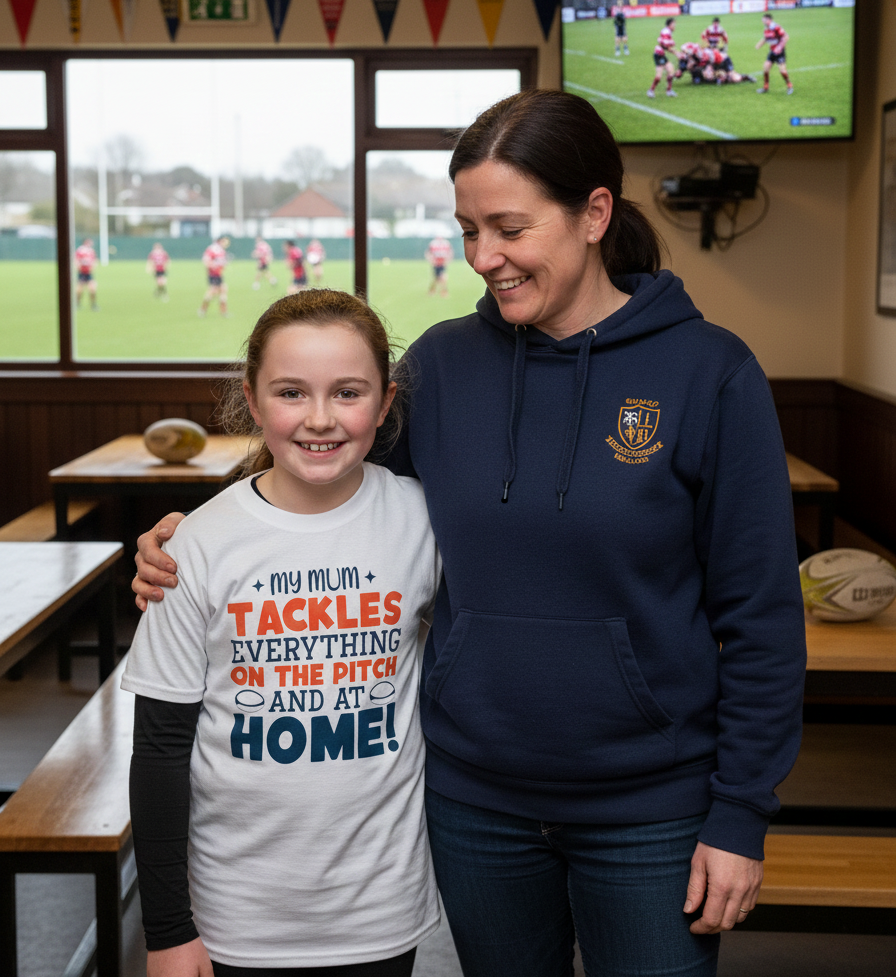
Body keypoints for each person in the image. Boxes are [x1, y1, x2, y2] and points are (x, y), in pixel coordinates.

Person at [134, 90, 806, 977]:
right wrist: (202, 530)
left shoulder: (707, 371)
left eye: (509, 228)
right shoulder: (444, 366)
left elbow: (761, 616)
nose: (483, 257)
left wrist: (740, 813)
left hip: (654, 810)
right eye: (467, 230)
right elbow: (326, 474)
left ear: (595, 213)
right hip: (475, 805)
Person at [123, 289, 441, 976]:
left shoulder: (422, 520)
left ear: (384, 404)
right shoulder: (197, 546)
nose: (320, 419)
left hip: (379, 911)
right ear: (253, 399)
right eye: (291, 393)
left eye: (348, 392)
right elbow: (159, 748)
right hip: (236, 916)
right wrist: (168, 929)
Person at [755, 13, 793, 95]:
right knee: (766, 68)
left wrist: (779, 47)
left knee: (782, 71)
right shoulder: (766, 29)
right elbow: (766, 39)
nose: (763, 22)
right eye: (762, 20)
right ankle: (765, 87)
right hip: (772, 52)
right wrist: (759, 45)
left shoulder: (776, 27)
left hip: (780, 52)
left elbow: (786, 37)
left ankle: (789, 85)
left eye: (764, 20)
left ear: (769, 20)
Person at [198, 235, 230, 317]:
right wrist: (213, 266)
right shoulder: (213, 248)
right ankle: (203, 309)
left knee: (223, 289)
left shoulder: (221, 250)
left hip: (218, 274)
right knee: (213, 291)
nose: (226, 243)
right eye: (225, 241)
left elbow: (222, 262)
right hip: (213, 274)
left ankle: (223, 311)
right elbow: (206, 260)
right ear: (220, 241)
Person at [648, 18, 680, 98]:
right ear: (670, 25)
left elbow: (665, 46)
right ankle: (651, 91)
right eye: (673, 24)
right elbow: (665, 46)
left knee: (671, 70)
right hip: (659, 55)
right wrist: (676, 53)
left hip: (660, 54)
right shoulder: (666, 32)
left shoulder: (667, 31)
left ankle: (669, 90)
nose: (674, 26)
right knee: (659, 76)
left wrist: (675, 51)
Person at [74, 237, 98, 310]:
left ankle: (93, 305)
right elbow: (76, 260)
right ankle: (77, 304)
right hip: (82, 272)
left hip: (89, 273)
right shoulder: (80, 250)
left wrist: (93, 267)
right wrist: (78, 267)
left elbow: (94, 260)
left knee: (92, 289)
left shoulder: (91, 251)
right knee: (79, 290)